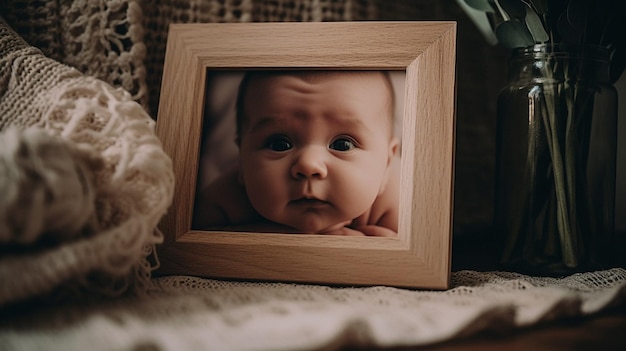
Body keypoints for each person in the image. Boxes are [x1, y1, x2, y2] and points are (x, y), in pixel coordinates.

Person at [194, 70, 400, 236]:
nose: (309, 165)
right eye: (279, 144)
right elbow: (192, 248)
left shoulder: (394, 205)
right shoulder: (225, 201)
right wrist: (265, 235)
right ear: (242, 160)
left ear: (387, 164)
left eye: (343, 145)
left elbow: (415, 261)